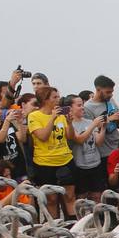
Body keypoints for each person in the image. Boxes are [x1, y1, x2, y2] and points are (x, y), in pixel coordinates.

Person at [27, 86, 76, 218]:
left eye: (58, 96)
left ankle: (73, 225)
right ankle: (54, 227)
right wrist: (52, 119)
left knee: (70, 196)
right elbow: (42, 136)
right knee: (51, 199)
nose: (58, 100)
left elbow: (70, 136)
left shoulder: (60, 115)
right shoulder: (34, 116)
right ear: (45, 99)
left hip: (65, 159)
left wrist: (70, 123)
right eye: (55, 97)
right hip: (45, 163)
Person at [68, 95, 107, 201]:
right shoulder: (70, 125)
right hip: (80, 166)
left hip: (95, 163)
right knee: (81, 197)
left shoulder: (88, 122)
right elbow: (79, 139)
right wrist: (94, 124)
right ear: (70, 108)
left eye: (83, 105)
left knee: (97, 196)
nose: (82, 107)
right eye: (79, 105)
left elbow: (98, 142)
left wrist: (103, 128)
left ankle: (98, 217)